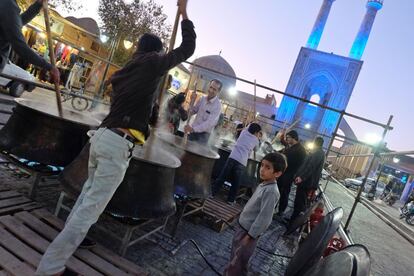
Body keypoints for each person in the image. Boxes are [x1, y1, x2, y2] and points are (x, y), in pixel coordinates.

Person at [35, 0, 195, 275]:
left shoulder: (126, 73)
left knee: (86, 200)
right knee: (89, 210)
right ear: (155, 52)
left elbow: (141, 108)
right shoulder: (153, 63)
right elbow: (187, 48)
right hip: (115, 147)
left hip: (102, 140)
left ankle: (65, 249)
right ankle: (50, 268)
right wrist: (185, 15)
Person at [224, 152, 287, 276]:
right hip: (243, 228)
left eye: (268, 167)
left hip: (248, 233)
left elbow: (264, 219)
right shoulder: (264, 184)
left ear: (278, 173)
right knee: (237, 257)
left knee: (237, 261)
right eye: (262, 165)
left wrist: (249, 236)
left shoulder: (271, 192)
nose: (262, 170)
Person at [0, 0, 59, 83]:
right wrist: (50, 67)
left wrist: (37, 6)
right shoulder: (8, 5)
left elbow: (16, 23)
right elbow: (20, 47)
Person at [212, 123, 262, 204]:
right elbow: (256, 150)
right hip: (242, 162)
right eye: (258, 132)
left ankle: (213, 193)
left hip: (232, 157)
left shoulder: (243, 132)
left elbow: (248, 127)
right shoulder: (256, 140)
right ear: (256, 132)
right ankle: (230, 200)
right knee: (236, 182)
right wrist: (258, 138)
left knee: (222, 177)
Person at [290, 136, 325, 221]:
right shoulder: (317, 152)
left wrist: (302, 177)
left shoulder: (318, 153)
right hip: (306, 181)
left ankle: (293, 222)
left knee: (300, 202)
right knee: (299, 201)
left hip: (306, 182)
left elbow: (311, 166)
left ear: (315, 142)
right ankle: (293, 219)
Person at [276, 130, 307, 217]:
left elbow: (288, 158)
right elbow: (286, 146)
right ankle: (274, 208)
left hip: (289, 174)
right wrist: (282, 139)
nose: (287, 139)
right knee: (279, 190)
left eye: (288, 138)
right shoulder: (294, 146)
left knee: (284, 192)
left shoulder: (299, 150)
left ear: (294, 138)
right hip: (285, 173)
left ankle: (281, 211)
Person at [184, 79, 222, 144]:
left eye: (214, 89)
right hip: (193, 132)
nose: (211, 90)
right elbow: (192, 111)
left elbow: (209, 123)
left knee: (195, 153)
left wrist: (193, 129)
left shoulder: (217, 106)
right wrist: (192, 100)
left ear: (218, 91)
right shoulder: (202, 98)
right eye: (211, 87)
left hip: (203, 136)